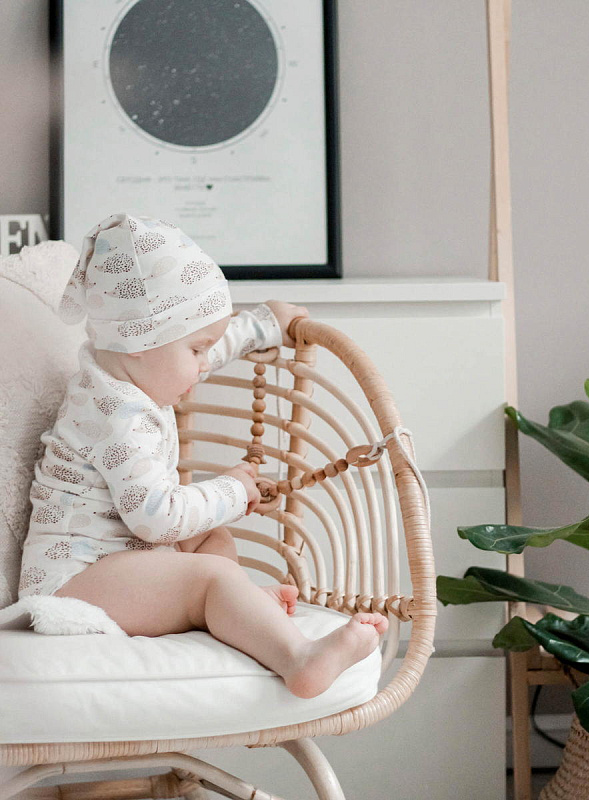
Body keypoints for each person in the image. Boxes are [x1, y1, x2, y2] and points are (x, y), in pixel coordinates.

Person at [18, 213, 387, 698]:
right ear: (141, 341)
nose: (204, 364)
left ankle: (240, 608)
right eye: (197, 350)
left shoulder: (129, 367)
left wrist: (262, 325)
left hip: (118, 559)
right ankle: (298, 658)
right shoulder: (117, 416)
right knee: (209, 574)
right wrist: (232, 489)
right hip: (75, 583)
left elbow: (198, 344)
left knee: (211, 538)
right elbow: (156, 517)